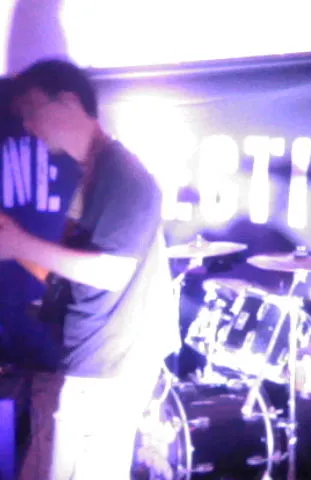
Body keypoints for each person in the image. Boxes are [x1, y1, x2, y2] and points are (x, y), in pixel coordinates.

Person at [0, 59, 179, 480]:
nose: (28, 125)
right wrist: (14, 247)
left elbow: (111, 273)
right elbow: (70, 273)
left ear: (68, 101)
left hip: (108, 367)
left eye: (32, 109)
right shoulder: (94, 174)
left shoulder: (125, 174)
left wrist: (20, 244)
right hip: (89, 362)